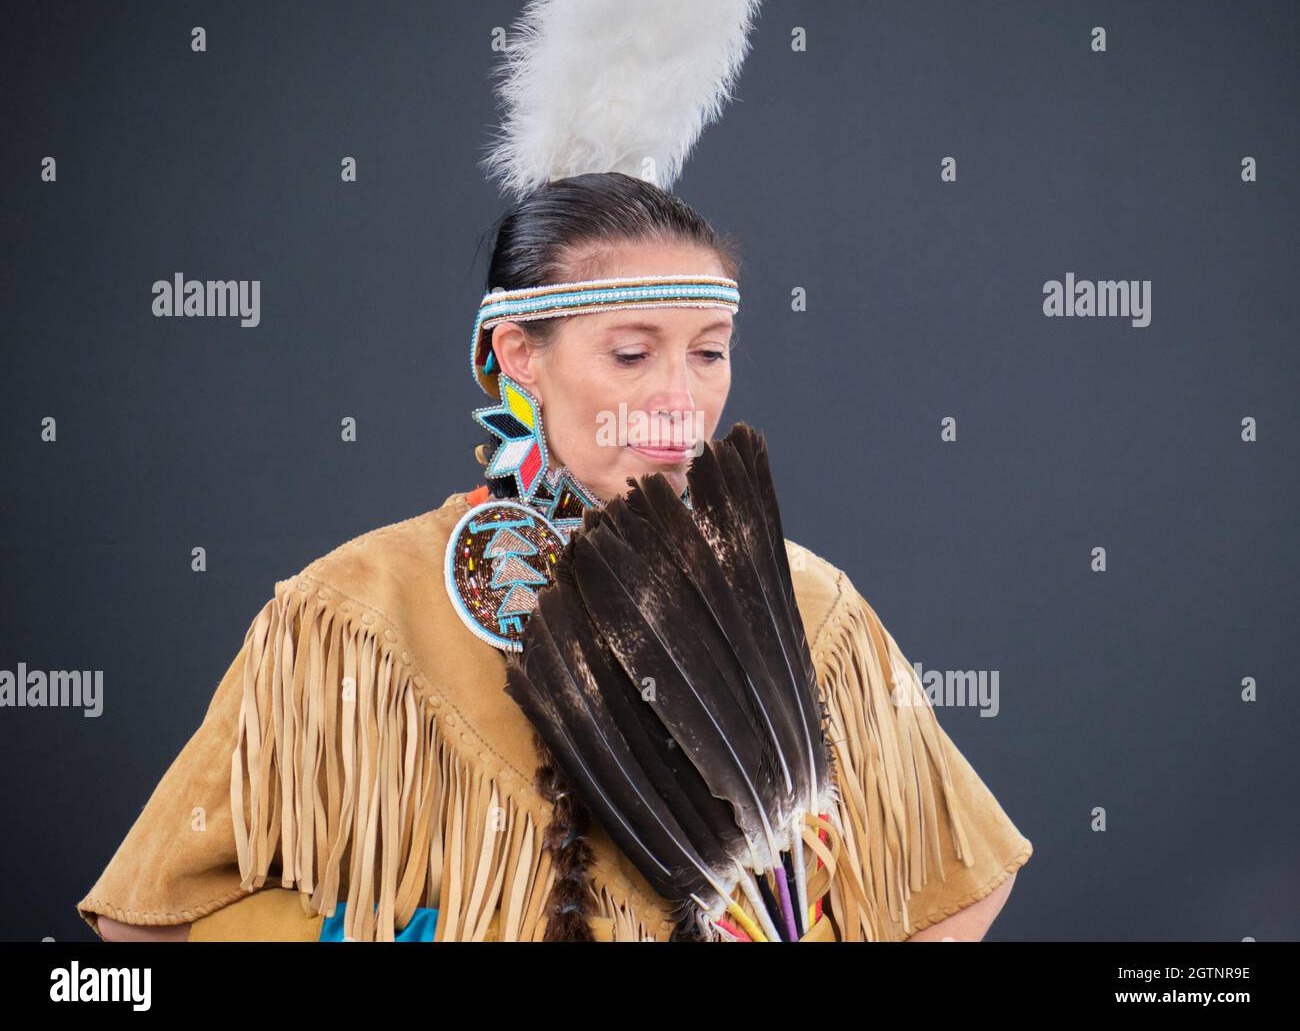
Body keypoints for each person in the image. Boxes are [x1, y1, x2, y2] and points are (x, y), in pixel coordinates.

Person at [78, 172, 1032, 942]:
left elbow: (958, 889)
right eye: (630, 353)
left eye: (709, 352)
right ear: (519, 356)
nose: (678, 398)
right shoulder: (354, 615)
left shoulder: (810, 607)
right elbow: (149, 920)